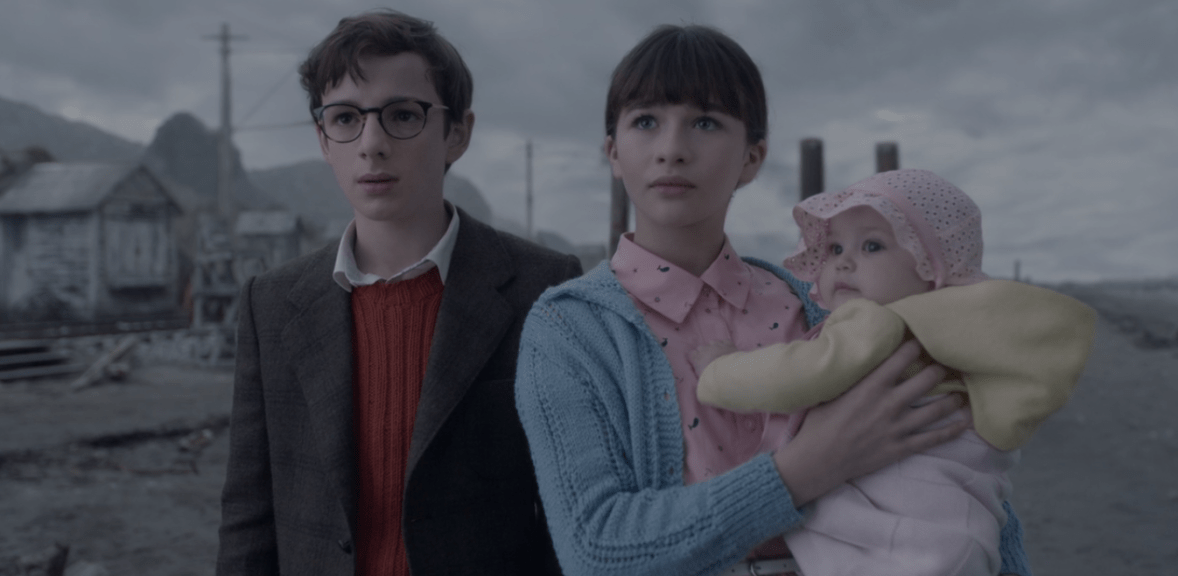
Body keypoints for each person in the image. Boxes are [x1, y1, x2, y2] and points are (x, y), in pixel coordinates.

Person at [514, 25, 1033, 576]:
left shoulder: (822, 302)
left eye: (706, 122)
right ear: (613, 153)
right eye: (646, 122)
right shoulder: (568, 329)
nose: (671, 149)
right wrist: (809, 467)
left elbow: (959, 482)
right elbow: (596, 549)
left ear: (753, 158)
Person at [215, 10, 581, 576]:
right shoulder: (272, 302)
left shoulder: (543, 285)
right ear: (323, 139)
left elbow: (570, 515)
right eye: (345, 119)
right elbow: (248, 516)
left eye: (403, 115)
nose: (372, 144)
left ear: (457, 132)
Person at [694, 168, 1096, 575]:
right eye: (833, 249)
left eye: (872, 246)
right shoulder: (951, 342)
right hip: (952, 534)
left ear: (932, 266)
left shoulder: (880, 324)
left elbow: (797, 375)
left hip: (903, 540)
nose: (845, 262)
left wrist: (719, 369)